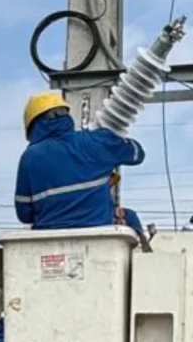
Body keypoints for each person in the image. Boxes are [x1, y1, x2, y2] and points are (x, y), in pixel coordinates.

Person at [14, 91, 147, 238]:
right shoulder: (96, 141)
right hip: (101, 235)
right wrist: (115, 140)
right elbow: (138, 154)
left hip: (48, 238)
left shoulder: (29, 158)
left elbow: (24, 213)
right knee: (129, 216)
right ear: (66, 116)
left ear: (32, 126)